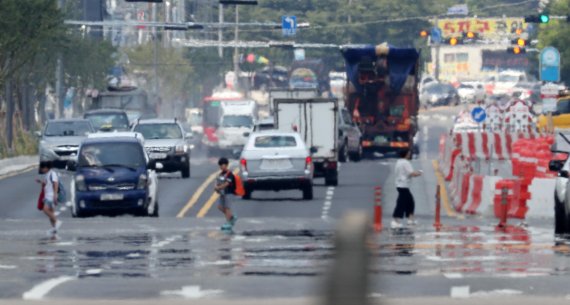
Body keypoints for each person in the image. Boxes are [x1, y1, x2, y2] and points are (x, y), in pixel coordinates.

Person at [391, 149, 422, 229]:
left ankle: (410, 219)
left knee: (410, 202)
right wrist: (419, 173)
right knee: (401, 204)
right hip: (403, 185)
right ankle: (396, 220)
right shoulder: (405, 163)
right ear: (406, 154)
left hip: (400, 185)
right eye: (409, 153)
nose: (409, 155)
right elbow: (411, 173)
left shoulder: (399, 162)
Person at [37, 161, 62, 235]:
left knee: (45, 210)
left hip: (50, 196)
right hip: (48, 195)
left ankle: (57, 222)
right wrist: (41, 182)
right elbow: (48, 184)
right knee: (51, 212)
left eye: (42, 168)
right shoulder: (48, 174)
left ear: (46, 167)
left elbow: (55, 183)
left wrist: (55, 195)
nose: (41, 170)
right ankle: (54, 229)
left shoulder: (52, 174)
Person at [214, 158, 238, 231]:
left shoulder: (229, 174)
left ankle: (228, 223)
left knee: (227, 208)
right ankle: (231, 217)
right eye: (220, 165)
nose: (221, 166)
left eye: (223, 165)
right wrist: (216, 187)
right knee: (220, 207)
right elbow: (217, 182)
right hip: (222, 193)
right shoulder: (221, 174)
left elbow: (227, 184)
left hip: (229, 192)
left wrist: (219, 188)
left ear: (227, 165)